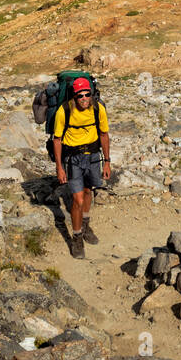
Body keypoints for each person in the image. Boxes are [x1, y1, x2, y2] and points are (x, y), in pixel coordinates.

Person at [52, 77, 110, 258]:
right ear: (74, 97)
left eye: (87, 94)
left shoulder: (98, 108)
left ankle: (85, 225)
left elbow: (104, 134)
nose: (84, 98)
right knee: (77, 200)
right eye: (80, 95)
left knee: (88, 192)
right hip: (73, 159)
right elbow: (57, 139)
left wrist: (107, 161)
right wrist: (59, 167)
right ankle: (76, 237)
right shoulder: (64, 111)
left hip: (93, 157)